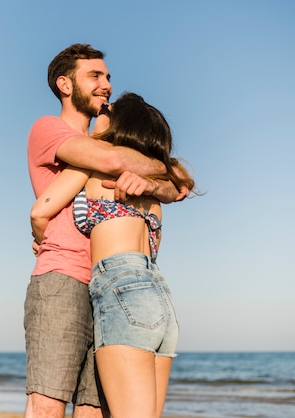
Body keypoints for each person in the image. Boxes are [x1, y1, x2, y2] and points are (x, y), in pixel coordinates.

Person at [25, 44, 187, 418]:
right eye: (95, 76)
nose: (107, 85)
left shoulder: (108, 148)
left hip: (110, 288)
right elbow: (121, 161)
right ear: (65, 85)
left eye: (109, 77)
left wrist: (154, 182)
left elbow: (179, 181)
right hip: (65, 277)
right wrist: (40, 238)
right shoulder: (49, 130)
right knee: (48, 404)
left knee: (94, 410)